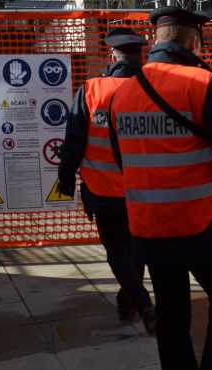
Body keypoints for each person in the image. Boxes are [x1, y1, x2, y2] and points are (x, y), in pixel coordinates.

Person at [108, 7, 212, 370]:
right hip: (202, 224)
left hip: (148, 226)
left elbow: (120, 157)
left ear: (156, 39)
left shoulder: (123, 93)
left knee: (171, 315)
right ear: (193, 39)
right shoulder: (199, 82)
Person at [57, 28, 156, 334]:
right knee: (136, 250)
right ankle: (128, 302)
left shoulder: (92, 89)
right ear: (141, 55)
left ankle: (142, 303)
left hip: (104, 190)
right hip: (147, 191)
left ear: (113, 55)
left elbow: (74, 139)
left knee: (117, 252)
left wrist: (65, 178)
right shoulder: (153, 89)